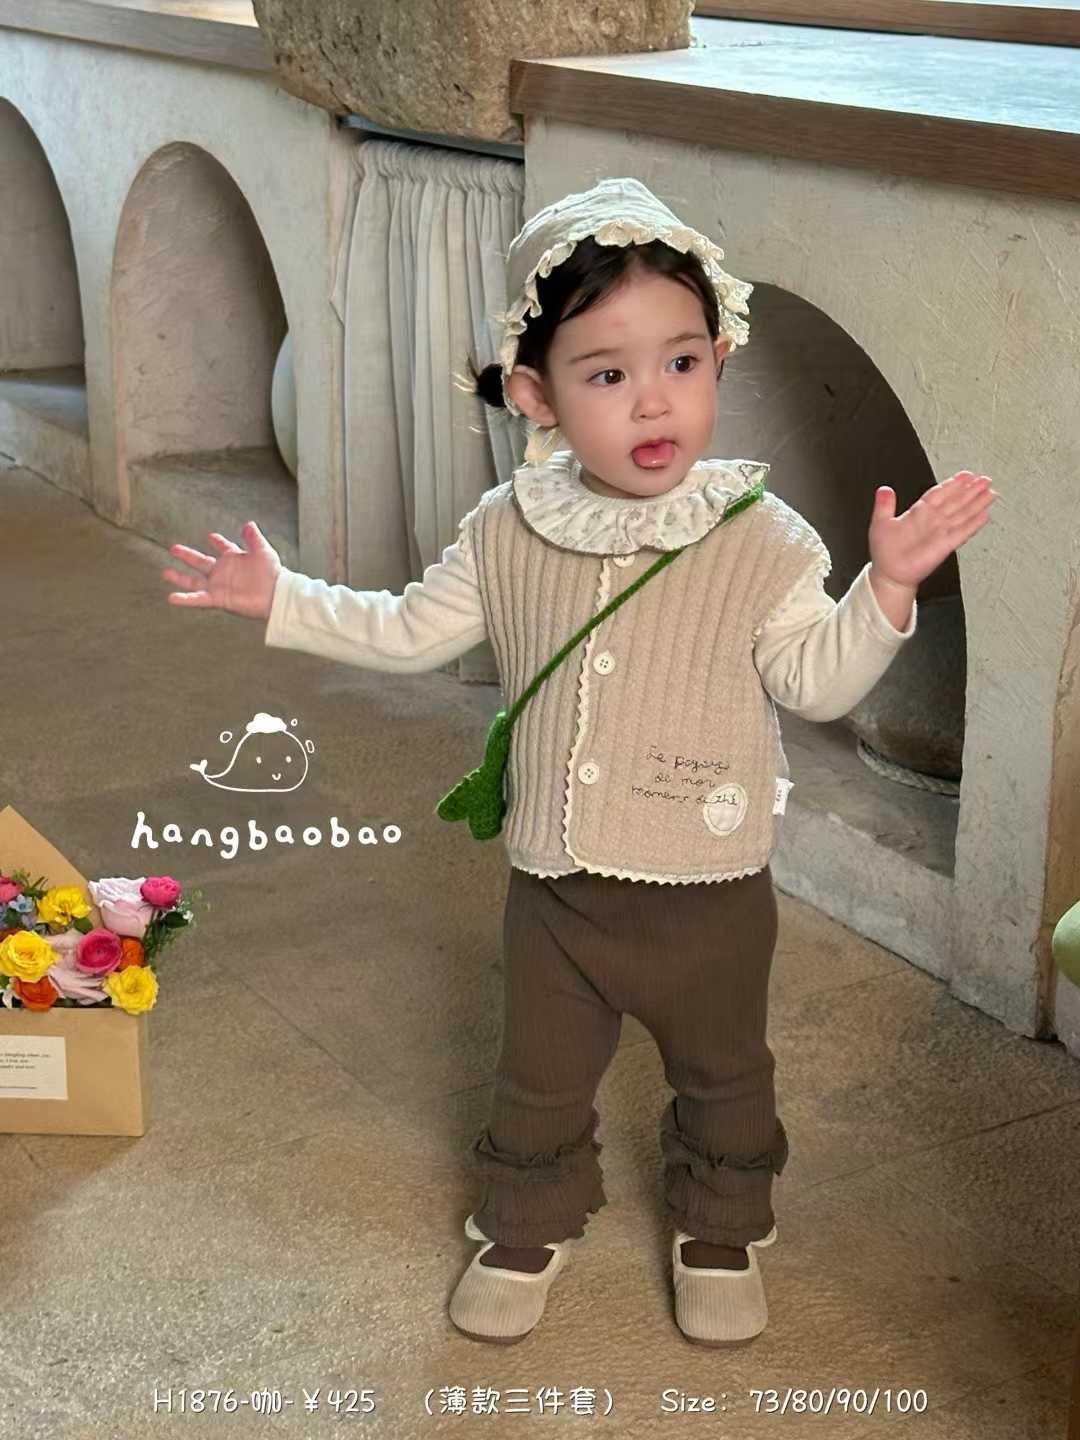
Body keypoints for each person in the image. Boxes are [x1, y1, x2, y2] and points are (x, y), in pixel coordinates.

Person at [160, 176, 997, 1349]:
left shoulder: (760, 538)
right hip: (554, 888)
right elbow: (405, 630)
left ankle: (721, 1226)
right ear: (535, 394)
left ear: (719, 359)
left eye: (683, 362)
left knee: (724, 1074)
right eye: (606, 375)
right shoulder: (508, 528)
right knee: (539, 1075)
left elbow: (815, 682)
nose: (654, 399)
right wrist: (284, 598)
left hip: (710, 887)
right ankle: (525, 1221)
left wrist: (887, 590)